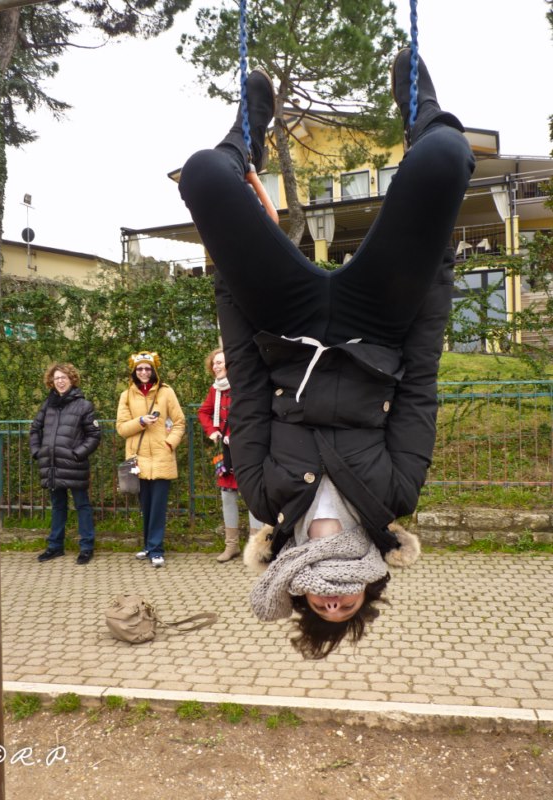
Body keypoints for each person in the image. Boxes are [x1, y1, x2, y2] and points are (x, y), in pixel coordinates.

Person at [179, 50, 475, 658]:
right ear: (369, 591)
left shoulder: (266, 499)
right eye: (345, 608)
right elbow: (419, 384)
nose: (333, 601)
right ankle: (421, 117)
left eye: (321, 607)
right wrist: (435, 274)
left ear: (297, 593)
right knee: (446, 157)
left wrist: (229, 284)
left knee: (203, 176)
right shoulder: (393, 498)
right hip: (377, 323)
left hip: (285, 325)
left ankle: (244, 141)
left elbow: (249, 389)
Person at [116, 351, 186, 567]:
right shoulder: (126, 395)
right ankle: (148, 546)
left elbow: (179, 422)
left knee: (158, 507)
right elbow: (121, 428)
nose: (144, 372)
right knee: (145, 507)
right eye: (140, 369)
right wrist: (141, 422)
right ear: (134, 372)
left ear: (154, 370)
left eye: (148, 368)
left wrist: (169, 443)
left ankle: (156, 549)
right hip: (138, 460)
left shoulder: (166, 392)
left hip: (161, 457)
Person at [30, 362, 101, 565]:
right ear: (51, 382)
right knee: (58, 506)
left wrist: (77, 454)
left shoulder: (84, 405)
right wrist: (37, 452)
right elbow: (35, 429)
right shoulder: (48, 405)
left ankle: (86, 547)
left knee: (82, 505)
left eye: (64, 378)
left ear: (72, 380)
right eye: (56, 378)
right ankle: (55, 547)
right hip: (52, 465)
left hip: (74, 465)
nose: (60, 381)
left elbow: (94, 435)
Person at [198, 347, 262, 562]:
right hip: (225, 453)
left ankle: (255, 548)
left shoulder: (243, 387)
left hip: (247, 451)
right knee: (227, 497)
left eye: (220, 362)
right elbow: (203, 412)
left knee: (252, 497)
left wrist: (239, 435)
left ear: (231, 365)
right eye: (214, 363)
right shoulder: (214, 390)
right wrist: (212, 431)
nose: (216, 366)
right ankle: (231, 546)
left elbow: (254, 415)